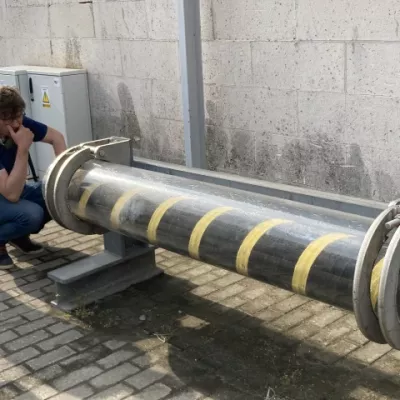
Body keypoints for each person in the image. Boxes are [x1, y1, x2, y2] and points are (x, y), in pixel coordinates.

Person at [0, 86, 67, 269]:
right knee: (31, 214)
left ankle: (18, 236)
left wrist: (62, 178)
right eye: (8, 119)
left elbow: (57, 138)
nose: (16, 124)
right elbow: (11, 195)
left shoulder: (19, 122)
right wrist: (23, 148)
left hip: (10, 189)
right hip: (6, 193)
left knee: (56, 193)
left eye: (18, 116)